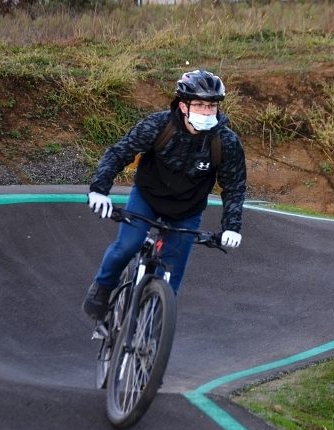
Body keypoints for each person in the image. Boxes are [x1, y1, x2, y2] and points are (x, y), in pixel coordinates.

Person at [82, 69, 247, 320]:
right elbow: (119, 152)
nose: (207, 112)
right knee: (128, 245)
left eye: (212, 106)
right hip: (147, 198)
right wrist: (99, 190)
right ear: (183, 106)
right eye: (200, 105)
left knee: (171, 278)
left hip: (187, 211)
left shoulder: (226, 142)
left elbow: (234, 185)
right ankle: (102, 287)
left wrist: (232, 227)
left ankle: (150, 333)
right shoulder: (159, 126)